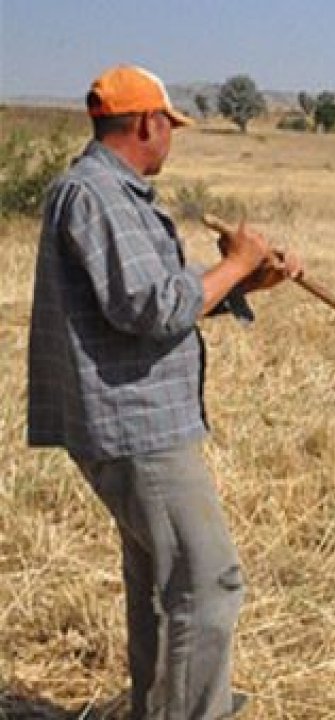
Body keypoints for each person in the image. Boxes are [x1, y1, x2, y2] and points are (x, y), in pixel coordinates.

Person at [26, 65, 301, 720]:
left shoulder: (107, 193)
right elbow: (153, 309)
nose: (170, 139)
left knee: (157, 583)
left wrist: (250, 280)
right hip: (135, 427)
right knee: (210, 584)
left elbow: (167, 303)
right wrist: (234, 260)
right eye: (169, 127)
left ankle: (161, 706)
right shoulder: (98, 196)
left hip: (130, 422)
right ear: (148, 123)